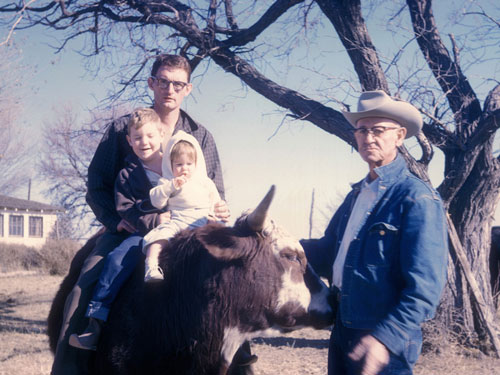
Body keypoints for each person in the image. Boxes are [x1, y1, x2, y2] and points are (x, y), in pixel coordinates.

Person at [51, 54, 230, 375]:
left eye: (177, 84)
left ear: (188, 89)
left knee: (228, 279)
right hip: (129, 228)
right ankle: (70, 361)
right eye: (162, 81)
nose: (169, 90)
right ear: (151, 83)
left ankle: (238, 356)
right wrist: (113, 220)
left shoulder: (200, 136)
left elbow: (214, 187)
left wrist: (219, 210)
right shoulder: (122, 129)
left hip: (187, 229)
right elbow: (97, 184)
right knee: (85, 281)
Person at [301, 90, 448, 375]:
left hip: (385, 340)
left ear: (400, 135)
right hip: (344, 328)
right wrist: (273, 241)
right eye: (362, 130)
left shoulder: (416, 199)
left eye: (378, 130)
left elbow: (425, 289)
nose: (368, 138)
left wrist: (385, 339)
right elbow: (327, 252)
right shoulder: (356, 195)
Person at [67, 107, 168, 350]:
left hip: (179, 230)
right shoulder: (126, 174)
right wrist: (155, 221)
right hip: (143, 234)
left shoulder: (175, 165)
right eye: (138, 137)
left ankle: (237, 343)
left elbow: (197, 189)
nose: (145, 142)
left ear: (162, 135)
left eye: (150, 136)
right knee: (115, 260)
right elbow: (126, 209)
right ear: (129, 141)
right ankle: (95, 323)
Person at [142, 131, 221, 281]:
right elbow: (156, 200)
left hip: (202, 219)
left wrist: (214, 216)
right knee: (159, 237)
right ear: (170, 165)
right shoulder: (167, 182)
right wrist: (170, 186)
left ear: (196, 164)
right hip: (178, 220)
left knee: (223, 237)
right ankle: (151, 266)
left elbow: (215, 201)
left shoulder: (205, 182)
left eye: (189, 164)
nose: (184, 168)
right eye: (179, 164)